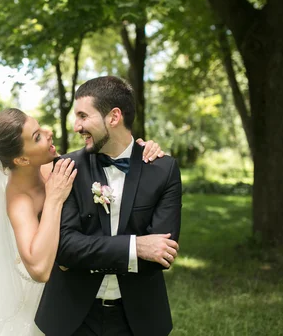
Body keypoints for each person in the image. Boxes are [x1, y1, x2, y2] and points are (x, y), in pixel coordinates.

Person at [0, 103, 166, 335]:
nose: (48, 133)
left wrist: (139, 150)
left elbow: (103, 155)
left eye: (41, 128)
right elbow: (40, 270)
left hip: (74, 287)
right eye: (37, 137)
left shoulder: (54, 167)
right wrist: (53, 199)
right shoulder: (19, 201)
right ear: (22, 160)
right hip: (35, 301)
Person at [35, 76, 182, 336]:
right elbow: (66, 248)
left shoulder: (163, 170)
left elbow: (161, 254)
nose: (76, 126)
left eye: (83, 115)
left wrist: (89, 250)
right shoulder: (67, 169)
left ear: (113, 117)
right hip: (71, 316)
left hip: (138, 317)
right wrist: (136, 247)